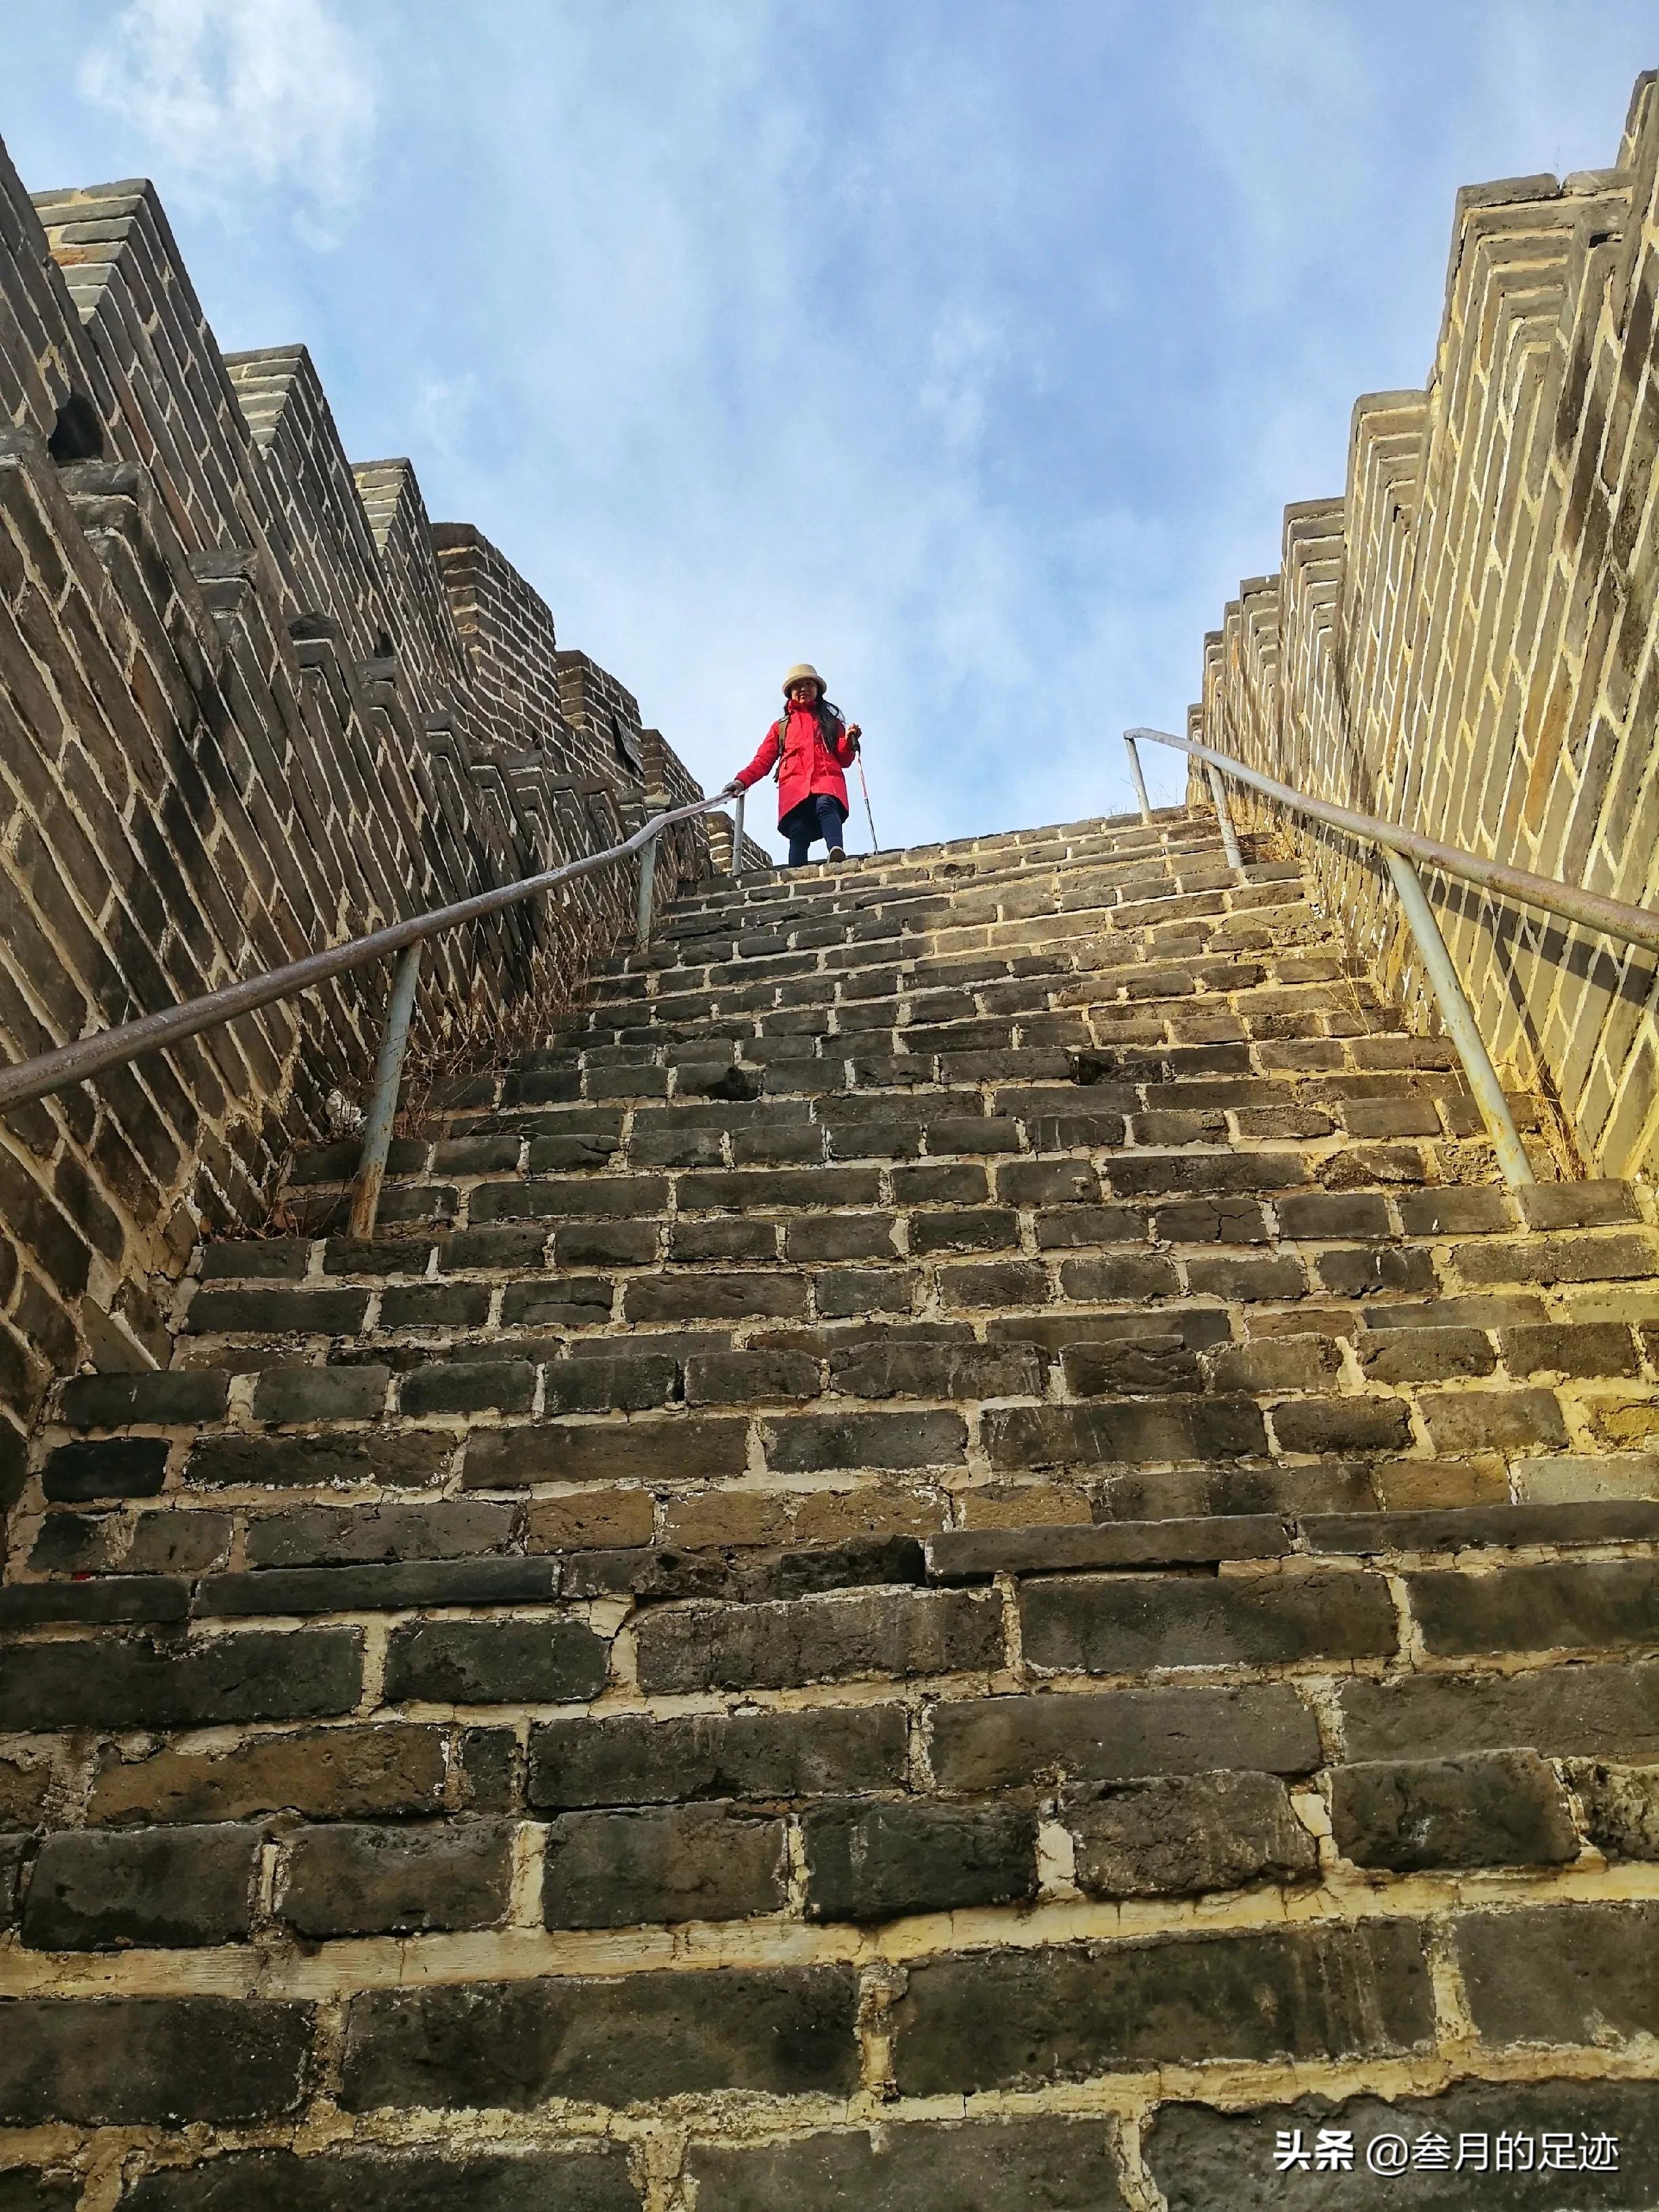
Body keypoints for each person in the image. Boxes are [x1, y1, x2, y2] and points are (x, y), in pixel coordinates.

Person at [724, 664, 862, 866]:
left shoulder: (831, 723)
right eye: (798, 686)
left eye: (809, 684)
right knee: (799, 830)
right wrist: (742, 781)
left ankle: (836, 851)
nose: (804, 689)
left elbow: (845, 760)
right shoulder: (781, 727)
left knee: (826, 805)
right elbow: (763, 760)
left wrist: (849, 740)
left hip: (826, 780)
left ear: (817, 690)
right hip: (794, 787)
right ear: (790, 693)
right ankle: (795, 874)